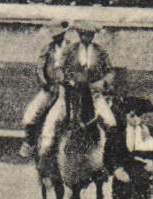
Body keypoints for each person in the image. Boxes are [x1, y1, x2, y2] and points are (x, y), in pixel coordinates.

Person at [44, 21, 116, 140]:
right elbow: (58, 68)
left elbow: (110, 71)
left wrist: (103, 82)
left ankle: (110, 155)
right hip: (71, 93)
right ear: (79, 34)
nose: (86, 37)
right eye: (83, 34)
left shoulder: (100, 51)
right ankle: (46, 152)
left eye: (90, 35)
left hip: (94, 94)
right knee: (52, 122)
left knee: (110, 122)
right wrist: (65, 80)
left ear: (93, 35)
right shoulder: (69, 49)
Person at [20, 20, 72, 157]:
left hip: (68, 90)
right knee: (31, 113)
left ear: (64, 33)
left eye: (60, 34)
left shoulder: (72, 48)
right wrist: (45, 83)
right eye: (55, 35)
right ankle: (29, 142)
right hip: (50, 88)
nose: (57, 37)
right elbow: (40, 69)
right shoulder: (47, 49)